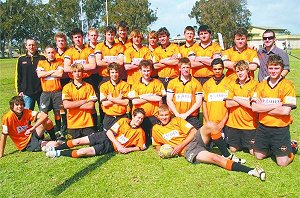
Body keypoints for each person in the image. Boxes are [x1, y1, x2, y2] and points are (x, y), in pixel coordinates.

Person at [152, 105, 266, 181]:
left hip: (194, 140)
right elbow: (157, 145)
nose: (164, 117)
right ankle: (251, 171)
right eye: (161, 115)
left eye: (166, 115)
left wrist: (179, 145)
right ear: (158, 116)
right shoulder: (156, 129)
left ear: (170, 114)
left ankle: (227, 155)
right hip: (190, 150)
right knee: (216, 159)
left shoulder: (177, 120)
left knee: (211, 125)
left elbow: (193, 132)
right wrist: (162, 151)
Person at [44, 108, 146, 158]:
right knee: (78, 141)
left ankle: (58, 153)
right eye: (138, 117)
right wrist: (119, 145)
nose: (140, 120)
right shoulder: (124, 121)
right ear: (133, 116)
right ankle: (55, 148)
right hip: (104, 136)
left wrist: (128, 149)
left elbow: (142, 147)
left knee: (82, 152)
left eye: (142, 119)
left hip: (109, 146)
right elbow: (109, 133)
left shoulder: (140, 132)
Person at [251, 54, 297, 167]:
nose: (273, 71)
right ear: (267, 68)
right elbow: (254, 108)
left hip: (280, 128)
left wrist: (263, 108)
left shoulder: (287, 86)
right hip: (263, 127)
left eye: (276, 68)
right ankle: (272, 147)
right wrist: (276, 106)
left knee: (282, 163)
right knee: (258, 156)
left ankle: (292, 148)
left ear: (281, 68)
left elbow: (285, 111)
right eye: (271, 68)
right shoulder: (261, 85)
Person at [64, 28, 98, 129]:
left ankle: (94, 125)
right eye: (75, 37)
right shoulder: (69, 52)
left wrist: (75, 67)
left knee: (91, 104)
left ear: (83, 38)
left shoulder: (89, 50)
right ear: (72, 39)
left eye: (79, 37)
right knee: (73, 102)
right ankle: (72, 126)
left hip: (88, 80)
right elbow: (66, 68)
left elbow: (93, 66)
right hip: (74, 80)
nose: (78, 39)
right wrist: (82, 67)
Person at [224, 60, 259, 154]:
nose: (240, 73)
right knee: (233, 149)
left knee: (252, 152)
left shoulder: (255, 84)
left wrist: (235, 98)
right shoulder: (231, 84)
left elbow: (252, 105)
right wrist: (245, 99)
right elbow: (228, 103)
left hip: (250, 124)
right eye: (237, 71)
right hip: (234, 124)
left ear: (248, 70)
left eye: (242, 70)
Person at [129, 59, 165, 146]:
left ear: (151, 70)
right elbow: (134, 101)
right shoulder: (135, 84)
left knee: (156, 141)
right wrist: (148, 96)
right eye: (144, 71)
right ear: (140, 71)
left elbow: (159, 98)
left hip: (154, 116)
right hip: (140, 118)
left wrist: (141, 96)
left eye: (148, 70)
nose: (146, 73)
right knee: (142, 141)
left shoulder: (157, 82)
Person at [62, 63, 97, 139]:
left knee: (92, 140)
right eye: (75, 71)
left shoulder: (89, 87)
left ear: (83, 73)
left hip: (87, 123)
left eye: (79, 71)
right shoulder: (66, 87)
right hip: (73, 123)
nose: (77, 74)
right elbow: (66, 105)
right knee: (73, 141)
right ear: (71, 74)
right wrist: (84, 101)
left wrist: (73, 105)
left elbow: (90, 106)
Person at [36, 45, 64, 140]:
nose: (51, 54)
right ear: (45, 54)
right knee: (43, 114)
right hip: (45, 93)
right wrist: (53, 71)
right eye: (49, 52)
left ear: (55, 53)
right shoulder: (41, 62)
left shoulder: (59, 61)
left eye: (52, 52)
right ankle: (44, 130)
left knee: (58, 112)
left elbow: (60, 74)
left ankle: (59, 130)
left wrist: (46, 73)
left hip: (57, 92)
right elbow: (40, 74)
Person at [166, 57, 203, 129]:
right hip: (175, 115)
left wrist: (186, 114)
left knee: (194, 138)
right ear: (179, 68)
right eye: (183, 67)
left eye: (187, 67)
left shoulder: (197, 83)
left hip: (191, 117)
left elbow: (198, 102)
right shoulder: (172, 82)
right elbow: (169, 100)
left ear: (190, 68)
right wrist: (177, 114)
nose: (185, 69)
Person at [15, 38, 46, 110]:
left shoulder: (42, 58)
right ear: (26, 46)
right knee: (27, 115)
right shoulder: (21, 59)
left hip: (41, 92)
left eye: (33, 45)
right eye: (29, 45)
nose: (31, 47)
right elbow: (19, 76)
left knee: (43, 114)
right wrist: (20, 90)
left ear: (36, 46)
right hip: (27, 92)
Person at [202, 58, 231, 133]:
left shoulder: (230, 83)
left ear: (223, 68)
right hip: (210, 122)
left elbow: (231, 107)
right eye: (215, 69)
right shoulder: (206, 84)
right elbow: (204, 104)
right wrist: (208, 122)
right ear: (212, 69)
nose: (217, 71)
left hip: (225, 123)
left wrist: (222, 123)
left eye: (219, 69)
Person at [99, 62, 130, 131]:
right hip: (109, 117)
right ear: (109, 73)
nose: (114, 74)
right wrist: (118, 99)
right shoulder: (103, 86)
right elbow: (104, 103)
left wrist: (111, 99)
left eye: (116, 72)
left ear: (119, 73)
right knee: (107, 138)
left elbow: (126, 102)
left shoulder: (125, 85)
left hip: (122, 116)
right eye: (112, 72)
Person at [153, 27, 181, 92]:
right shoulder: (156, 50)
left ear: (168, 37)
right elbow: (155, 66)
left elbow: (176, 62)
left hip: (174, 78)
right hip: (161, 79)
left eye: (164, 36)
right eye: (160, 37)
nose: (162, 39)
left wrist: (162, 61)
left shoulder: (175, 47)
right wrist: (170, 59)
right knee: (162, 100)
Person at [54, 32, 68, 133]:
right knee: (59, 105)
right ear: (56, 42)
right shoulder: (53, 53)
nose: (61, 42)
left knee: (68, 102)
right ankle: (60, 125)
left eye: (63, 40)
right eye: (59, 41)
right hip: (57, 81)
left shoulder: (69, 51)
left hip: (68, 79)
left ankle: (68, 123)